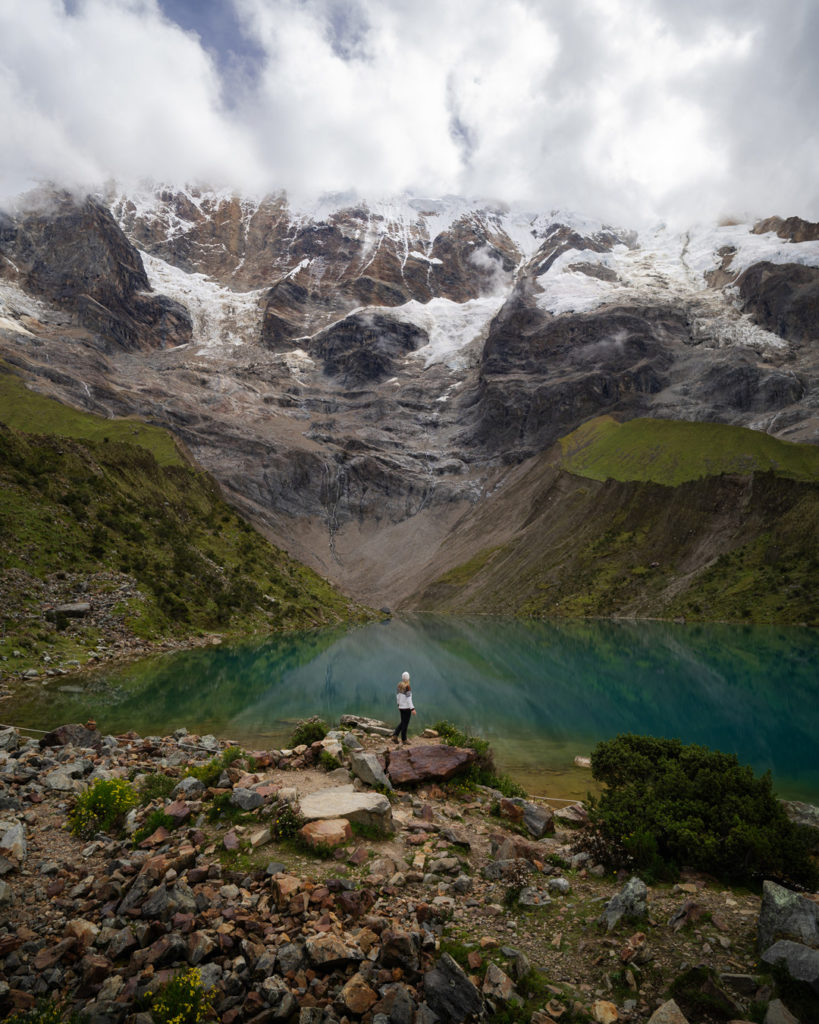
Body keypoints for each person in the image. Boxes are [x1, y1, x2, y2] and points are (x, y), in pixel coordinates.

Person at [391, 670, 416, 744]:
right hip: (407, 708)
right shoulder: (407, 687)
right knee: (405, 723)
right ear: (408, 678)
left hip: (401, 708)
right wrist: (412, 709)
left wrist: (398, 704)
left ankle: (395, 735)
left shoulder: (399, 686)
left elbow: (397, 696)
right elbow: (409, 699)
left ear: (402, 678)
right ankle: (404, 739)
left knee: (402, 722)